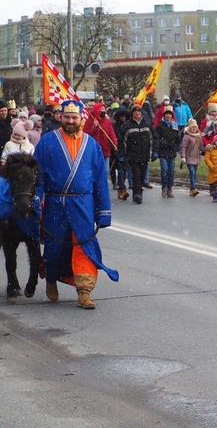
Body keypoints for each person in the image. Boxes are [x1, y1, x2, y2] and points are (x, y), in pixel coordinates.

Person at [34, 99, 118, 309]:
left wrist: (103, 211)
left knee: (84, 246)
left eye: (74, 117)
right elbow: (38, 176)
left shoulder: (92, 145)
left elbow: (100, 180)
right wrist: (35, 200)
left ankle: (84, 291)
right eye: (67, 117)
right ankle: (51, 278)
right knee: (55, 247)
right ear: (60, 117)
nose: (70, 121)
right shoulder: (47, 142)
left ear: (82, 119)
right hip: (56, 202)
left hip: (83, 204)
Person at [117, 104, 156, 204]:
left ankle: (139, 189)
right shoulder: (127, 126)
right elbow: (121, 141)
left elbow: (154, 138)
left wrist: (155, 151)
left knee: (142, 176)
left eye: (139, 112)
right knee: (136, 175)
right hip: (132, 156)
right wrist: (121, 154)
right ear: (132, 113)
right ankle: (137, 194)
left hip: (145, 155)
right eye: (135, 112)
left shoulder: (147, 124)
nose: (137, 113)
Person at [83, 103, 118, 181]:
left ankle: (102, 185)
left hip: (105, 149)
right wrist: (94, 127)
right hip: (94, 150)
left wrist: (115, 144)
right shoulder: (90, 120)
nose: (104, 111)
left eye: (104, 109)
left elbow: (112, 134)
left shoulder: (108, 122)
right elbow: (86, 134)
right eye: (101, 109)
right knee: (94, 170)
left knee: (105, 170)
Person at [154, 107, 181, 198]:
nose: (168, 116)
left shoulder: (174, 126)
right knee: (165, 170)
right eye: (167, 114)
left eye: (170, 114)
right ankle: (164, 187)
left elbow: (178, 139)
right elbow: (156, 138)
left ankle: (170, 188)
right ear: (164, 115)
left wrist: (177, 140)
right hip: (163, 151)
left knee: (171, 171)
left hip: (171, 151)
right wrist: (162, 143)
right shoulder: (160, 126)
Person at [180, 118, 203, 197]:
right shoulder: (186, 136)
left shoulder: (199, 136)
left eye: (195, 127)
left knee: (194, 174)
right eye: (192, 127)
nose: (194, 129)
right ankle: (193, 188)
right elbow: (183, 147)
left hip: (196, 158)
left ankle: (191, 190)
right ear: (189, 128)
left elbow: (201, 147)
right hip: (189, 158)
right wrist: (183, 156)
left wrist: (207, 149)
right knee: (192, 173)